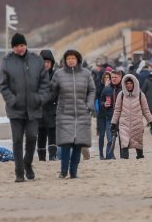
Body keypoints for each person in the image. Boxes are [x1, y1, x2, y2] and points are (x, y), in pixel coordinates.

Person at [0, 33, 48, 182]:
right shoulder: (7, 62)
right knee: (17, 140)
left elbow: (44, 82)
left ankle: (28, 163)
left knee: (32, 137)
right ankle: (19, 172)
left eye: (21, 45)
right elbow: (3, 85)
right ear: (12, 48)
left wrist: (39, 98)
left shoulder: (36, 60)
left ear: (25, 45)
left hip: (33, 107)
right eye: (16, 46)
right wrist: (12, 100)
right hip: (15, 109)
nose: (19, 48)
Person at [47, 50, 96, 179]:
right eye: (68, 58)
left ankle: (73, 172)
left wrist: (89, 105)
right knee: (66, 144)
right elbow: (51, 92)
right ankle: (63, 171)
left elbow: (92, 90)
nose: (70, 60)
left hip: (82, 113)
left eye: (73, 58)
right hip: (64, 113)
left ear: (78, 59)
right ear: (65, 60)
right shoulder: (59, 74)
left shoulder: (86, 74)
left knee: (78, 144)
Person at [111, 74, 152, 159]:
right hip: (124, 125)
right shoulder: (121, 95)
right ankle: (124, 161)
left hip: (137, 124)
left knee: (138, 143)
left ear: (135, 83)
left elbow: (145, 110)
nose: (129, 85)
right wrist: (113, 123)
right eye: (127, 83)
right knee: (124, 143)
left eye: (131, 83)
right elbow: (117, 110)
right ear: (124, 84)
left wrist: (151, 122)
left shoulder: (141, 95)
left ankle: (140, 156)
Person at [37, 50, 58, 162]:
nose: (46, 64)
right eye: (44, 62)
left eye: (48, 62)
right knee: (41, 135)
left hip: (52, 110)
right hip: (39, 111)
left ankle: (52, 156)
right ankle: (41, 158)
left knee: (52, 134)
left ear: (51, 63)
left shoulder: (56, 76)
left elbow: (60, 93)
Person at [97, 69, 120, 159]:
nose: (107, 79)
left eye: (109, 77)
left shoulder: (112, 88)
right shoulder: (100, 87)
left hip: (108, 114)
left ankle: (110, 154)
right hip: (101, 115)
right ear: (103, 79)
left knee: (111, 136)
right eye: (106, 77)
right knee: (102, 135)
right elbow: (98, 99)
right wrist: (100, 106)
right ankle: (101, 154)